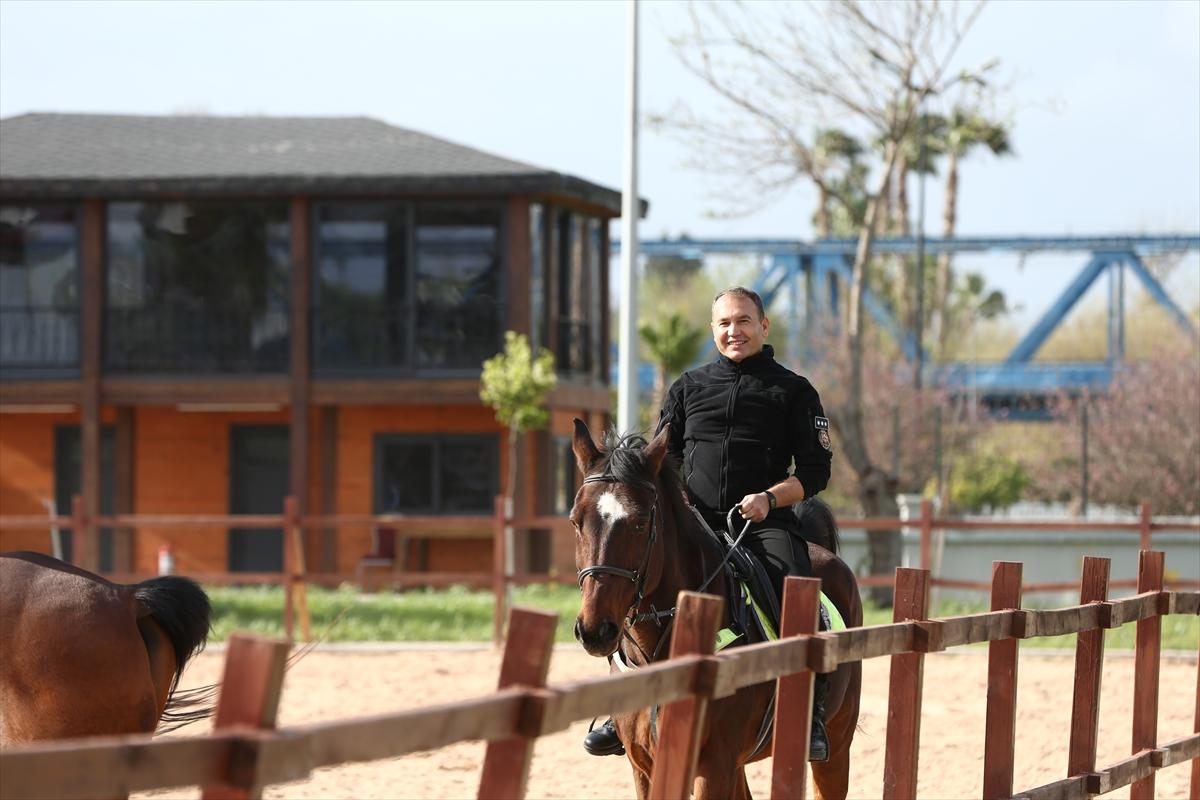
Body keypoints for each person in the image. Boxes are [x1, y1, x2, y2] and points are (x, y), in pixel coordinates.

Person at [583, 286, 834, 761]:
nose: (733, 331)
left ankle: (811, 711)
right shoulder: (687, 388)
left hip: (763, 524)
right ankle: (624, 707)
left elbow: (816, 472)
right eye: (724, 323)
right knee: (636, 583)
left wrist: (769, 498)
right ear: (713, 330)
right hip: (693, 521)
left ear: (763, 326)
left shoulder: (795, 391)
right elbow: (662, 460)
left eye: (743, 321)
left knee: (792, 590)